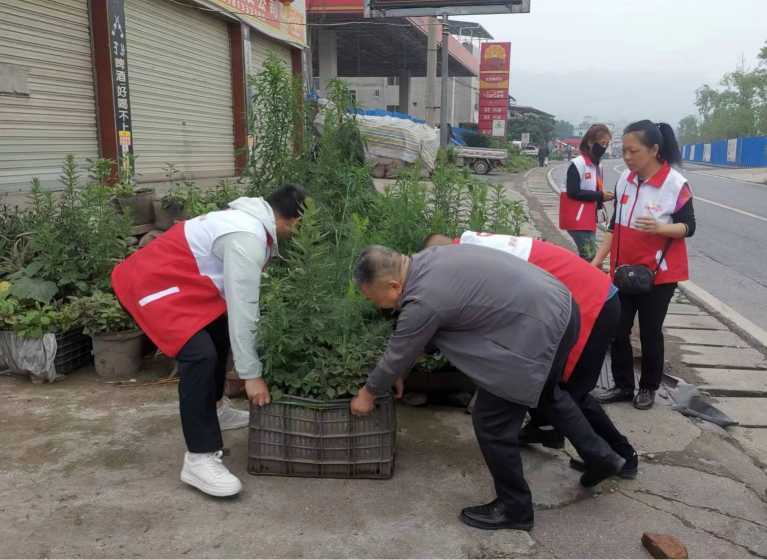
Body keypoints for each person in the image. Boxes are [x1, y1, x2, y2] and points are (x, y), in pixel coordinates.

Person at [349, 244, 626, 531]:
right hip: (563, 308)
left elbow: (400, 350)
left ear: (393, 285)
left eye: (374, 299)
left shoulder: (423, 299)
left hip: (537, 328)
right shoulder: (429, 259)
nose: (378, 306)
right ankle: (601, 457)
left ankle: (515, 509)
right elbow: (417, 341)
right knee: (545, 393)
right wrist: (399, 367)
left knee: (491, 421)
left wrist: (367, 394)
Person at [111, 185, 307, 497]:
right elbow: (245, 310)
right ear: (293, 221)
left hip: (180, 284)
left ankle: (216, 408)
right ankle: (199, 458)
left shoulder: (251, 220)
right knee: (199, 356)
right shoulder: (247, 236)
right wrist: (251, 376)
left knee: (218, 326)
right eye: (300, 227)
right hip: (149, 285)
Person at [424, 232, 637, 477]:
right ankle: (546, 429)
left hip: (593, 302)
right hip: (581, 297)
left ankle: (622, 456)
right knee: (544, 381)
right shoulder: (473, 248)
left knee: (569, 393)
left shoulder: (471, 264)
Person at [592, 120, 696, 410]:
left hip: (659, 275)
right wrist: (598, 261)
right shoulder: (624, 179)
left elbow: (689, 227)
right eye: (623, 150)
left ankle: (648, 387)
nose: (626, 157)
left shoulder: (675, 184)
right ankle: (623, 386)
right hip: (623, 272)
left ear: (653, 149)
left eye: (632, 151)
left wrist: (661, 229)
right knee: (617, 329)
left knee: (650, 332)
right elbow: (614, 226)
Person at [559, 124, 615, 261]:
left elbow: (595, 189)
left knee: (589, 257)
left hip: (588, 217)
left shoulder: (597, 166)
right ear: (590, 142)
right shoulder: (578, 164)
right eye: (602, 143)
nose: (604, 147)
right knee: (590, 257)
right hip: (577, 218)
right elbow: (573, 192)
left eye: (607, 144)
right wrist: (600, 195)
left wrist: (602, 197)